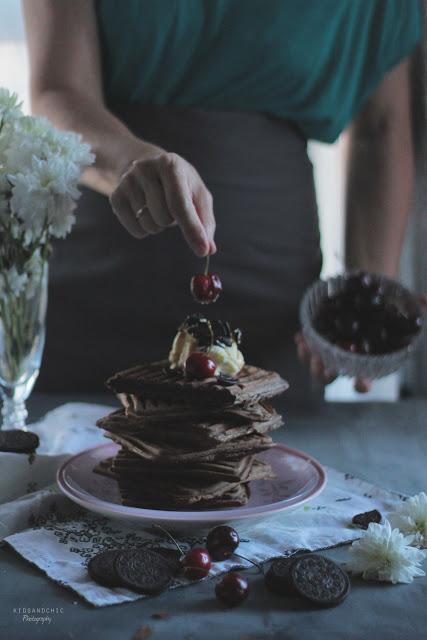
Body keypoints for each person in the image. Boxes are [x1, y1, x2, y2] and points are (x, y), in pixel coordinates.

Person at [22, 0, 422, 405]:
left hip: (270, 315)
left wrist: (362, 311)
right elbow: (58, 91)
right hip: (91, 298)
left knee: (260, 460)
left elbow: (380, 127)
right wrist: (127, 159)